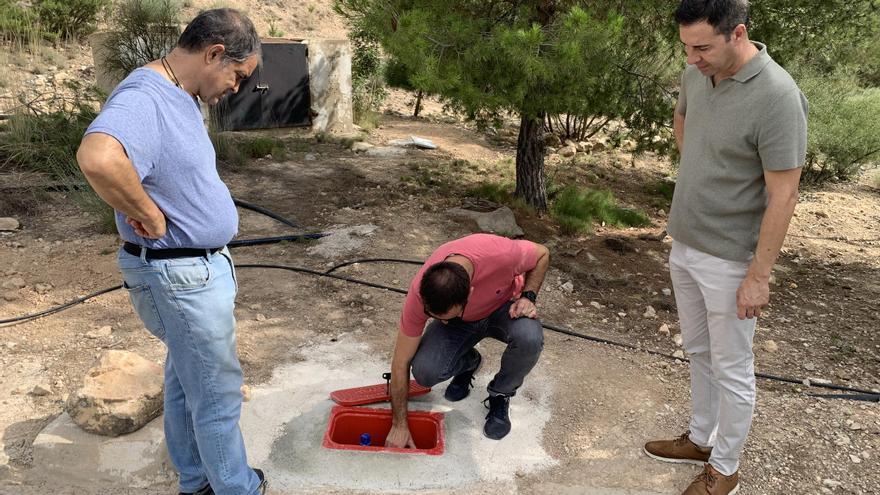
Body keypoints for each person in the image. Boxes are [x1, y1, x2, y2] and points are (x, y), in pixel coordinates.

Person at [76, 9, 266, 495]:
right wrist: (150, 215)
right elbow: (98, 157)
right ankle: (237, 487)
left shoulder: (178, 94)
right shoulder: (147, 97)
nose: (237, 88)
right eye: (237, 76)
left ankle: (196, 480)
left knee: (187, 379)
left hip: (191, 271)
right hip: (180, 275)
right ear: (215, 54)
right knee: (218, 393)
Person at [642, 1, 808, 494]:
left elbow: (785, 193)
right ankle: (700, 439)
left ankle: (725, 469)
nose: (691, 58)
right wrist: (700, 170)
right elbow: (682, 118)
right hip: (686, 241)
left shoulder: (778, 96)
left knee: (732, 365)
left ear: (737, 34)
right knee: (697, 349)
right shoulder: (696, 73)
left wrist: (759, 275)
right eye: (685, 47)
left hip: (732, 257)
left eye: (702, 47)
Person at [385, 233, 550, 446]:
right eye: (434, 316)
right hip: (462, 322)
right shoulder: (421, 294)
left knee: (530, 338)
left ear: (469, 294)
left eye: (444, 317)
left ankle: (500, 394)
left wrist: (528, 296)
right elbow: (400, 363)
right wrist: (399, 424)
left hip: (503, 308)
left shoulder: (501, 253)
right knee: (426, 371)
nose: (439, 322)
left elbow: (542, 254)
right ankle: (468, 362)